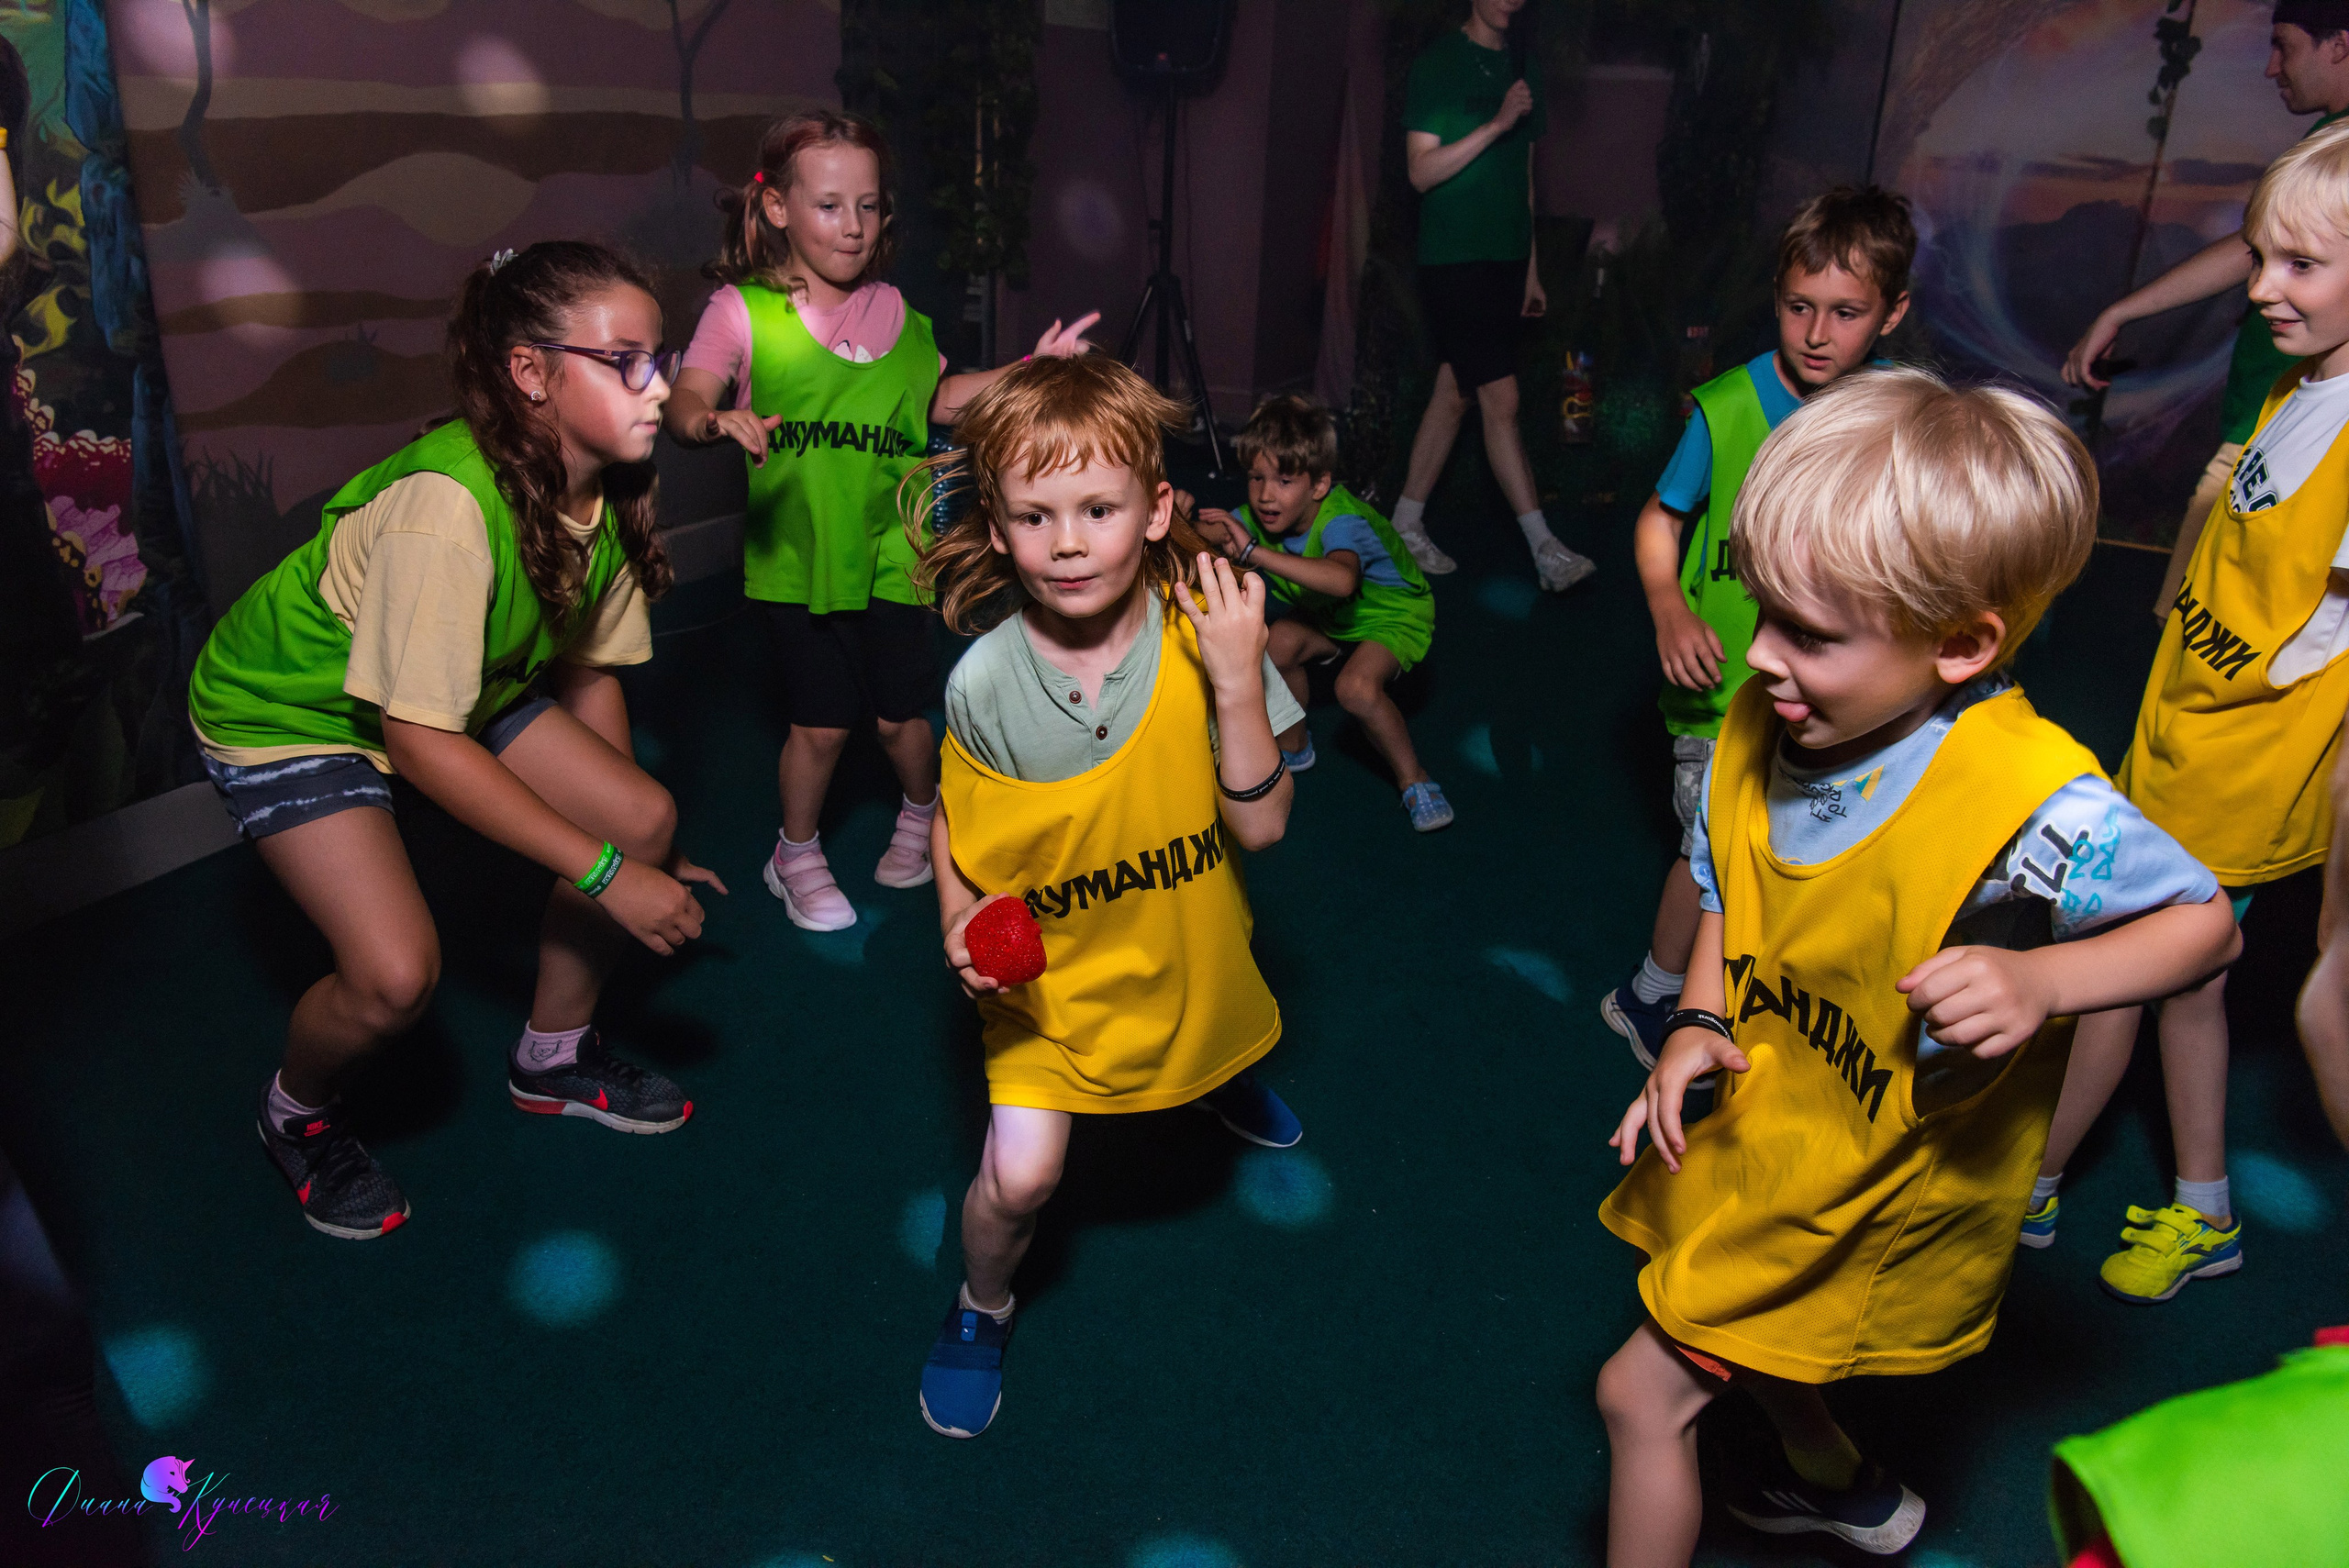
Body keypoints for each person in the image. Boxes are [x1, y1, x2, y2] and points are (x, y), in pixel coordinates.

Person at [1595, 369, 2240, 1566]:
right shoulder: (1768, 716)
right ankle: (1842, 1483)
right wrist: (1695, 1021)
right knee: (1749, 1337)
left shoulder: (2032, 802)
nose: (1758, 656)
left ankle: (1833, 1476)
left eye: (1808, 633)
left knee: (1639, 1396)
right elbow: (1732, 890)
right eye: (1761, 606)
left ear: (1961, 644)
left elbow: (2205, 925)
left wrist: (2045, 983)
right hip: (1778, 1122)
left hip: (1876, 1179)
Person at [186, 241, 724, 1240]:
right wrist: (606, 870)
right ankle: (295, 1113)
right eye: (625, 362)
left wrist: (629, 840)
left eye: (661, 359)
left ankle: (553, 1058)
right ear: (531, 373)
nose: (658, 387)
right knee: (394, 977)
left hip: (461, 682)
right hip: (292, 711)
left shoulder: (603, 489)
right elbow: (421, 740)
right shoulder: (448, 507)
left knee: (645, 816)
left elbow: (587, 671)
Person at [910, 356, 1308, 1439]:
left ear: (1157, 508)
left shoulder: (1209, 631)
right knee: (1020, 1175)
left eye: (1098, 508)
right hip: (1055, 984)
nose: (1069, 541)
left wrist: (1237, 676)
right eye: (1035, 515)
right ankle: (981, 1304)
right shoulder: (982, 683)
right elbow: (956, 818)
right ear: (997, 530)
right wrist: (954, 914)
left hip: (1186, 942)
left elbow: (1264, 826)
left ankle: (1216, 1075)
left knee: (1207, 1028)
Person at [2032, 120, 2349, 1302]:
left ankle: (2028, 1180)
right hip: (2181, 731)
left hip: (2242, 768)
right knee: (2182, 980)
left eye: (2300, 264)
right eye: (2262, 257)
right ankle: (2201, 1204)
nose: (2261, 287)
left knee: (2126, 962)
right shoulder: (2305, 384)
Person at [665, 109, 1097, 931]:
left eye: (868, 205)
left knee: (902, 718)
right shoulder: (741, 310)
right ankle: (794, 854)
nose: (854, 225)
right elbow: (687, 398)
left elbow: (940, 399)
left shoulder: (899, 311)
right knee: (822, 724)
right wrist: (711, 420)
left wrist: (1032, 368)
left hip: (897, 549)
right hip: (802, 556)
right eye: (829, 205)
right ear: (778, 207)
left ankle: (920, 812)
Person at [1600, 187, 1916, 1063]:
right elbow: (1661, 517)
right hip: (1724, 689)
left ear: (1892, 313)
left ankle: (1745, 990)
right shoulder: (1729, 406)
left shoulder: (1900, 411)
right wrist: (1668, 607)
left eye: (1846, 313)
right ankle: (1653, 992)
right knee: (1714, 856)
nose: (1816, 333)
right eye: (1798, 306)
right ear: (1775, 295)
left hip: (1835, 691)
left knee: (1802, 846)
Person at [2062, 0, 2349, 619]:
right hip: (2267, 418)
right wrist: (2125, 310)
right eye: (2267, 259)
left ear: (2339, 45)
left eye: (2285, 46)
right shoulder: (2326, 142)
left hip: (2290, 438)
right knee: (2193, 620)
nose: (2262, 287)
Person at [1392, 0, 1596, 592]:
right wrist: (1497, 123)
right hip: (1454, 260)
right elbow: (1421, 173)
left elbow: (1522, 179)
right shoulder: (1438, 64)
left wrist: (1531, 270)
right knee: (1500, 398)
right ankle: (1545, 548)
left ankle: (1404, 521)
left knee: (1455, 391)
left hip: (1506, 260)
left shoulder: (1524, 66)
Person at [1189, 395, 1450, 831]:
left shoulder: (1341, 520)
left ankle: (1415, 780)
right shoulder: (1258, 515)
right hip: (1331, 615)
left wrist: (1253, 552)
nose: (1266, 495)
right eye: (1256, 477)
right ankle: (1295, 745)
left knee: (1356, 688)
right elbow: (1207, 533)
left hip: (1390, 614)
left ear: (1319, 485)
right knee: (1274, 645)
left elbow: (1342, 581)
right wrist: (1174, 516)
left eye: (1284, 481)